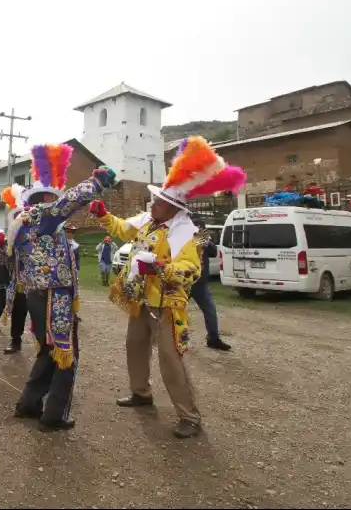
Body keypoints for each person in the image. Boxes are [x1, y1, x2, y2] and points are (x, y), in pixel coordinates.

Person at [93, 135, 246, 439]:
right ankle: (141, 393)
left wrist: (163, 268)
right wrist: (104, 216)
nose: (153, 203)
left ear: (172, 207)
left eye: (158, 201)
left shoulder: (186, 232)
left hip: (167, 303)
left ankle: (190, 416)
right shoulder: (149, 221)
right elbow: (123, 229)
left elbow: (192, 269)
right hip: (140, 299)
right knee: (134, 347)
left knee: (170, 358)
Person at [9, 143, 116, 431]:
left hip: (42, 294)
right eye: (53, 197)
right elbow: (66, 203)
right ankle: (54, 414)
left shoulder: (35, 223)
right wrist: (95, 182)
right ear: (44, 198)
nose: (59, 205)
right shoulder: (40, 216)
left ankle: (29, 404)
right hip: (52, 296)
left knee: (49, 351)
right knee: (66, 352)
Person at [190, 216, 231, 351]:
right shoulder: (183, 239)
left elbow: (213, 253)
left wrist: (207, 243)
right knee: (173, 310)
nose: (200, 230)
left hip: (200, 282)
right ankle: (169, 337)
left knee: (210, 309)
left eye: (202, 228)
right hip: (184, 281)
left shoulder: (204, 240)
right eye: (197, 228)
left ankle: (213, 338)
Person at [0, 184, 29, 355]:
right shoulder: (12, 237)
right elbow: (6, 260)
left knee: (40, 313)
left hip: (36, 282)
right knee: (18, 311)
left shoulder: (35, 232)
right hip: (18, 282)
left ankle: (44, 343)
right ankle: (15, 340)